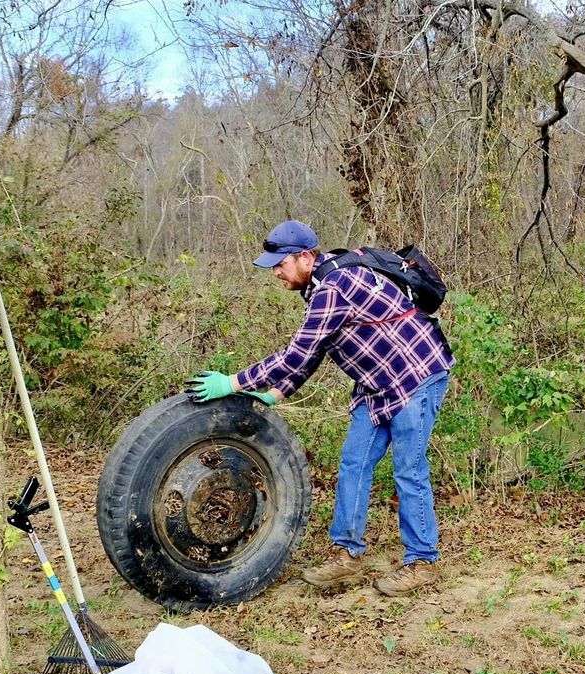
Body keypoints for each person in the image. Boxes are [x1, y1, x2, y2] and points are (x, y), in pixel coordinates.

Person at [185, 220, 455, 596]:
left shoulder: (334, 287)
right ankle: (347, 555)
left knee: (408, 470)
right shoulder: (318, 287)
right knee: (354, 463)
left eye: (281, 263)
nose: (276, 272)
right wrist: (278, 393)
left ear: (306, 257)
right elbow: (316, 350)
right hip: (377, 385)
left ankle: (422, 561)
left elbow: (295, 354)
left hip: (416, 375)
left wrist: (231, 383)